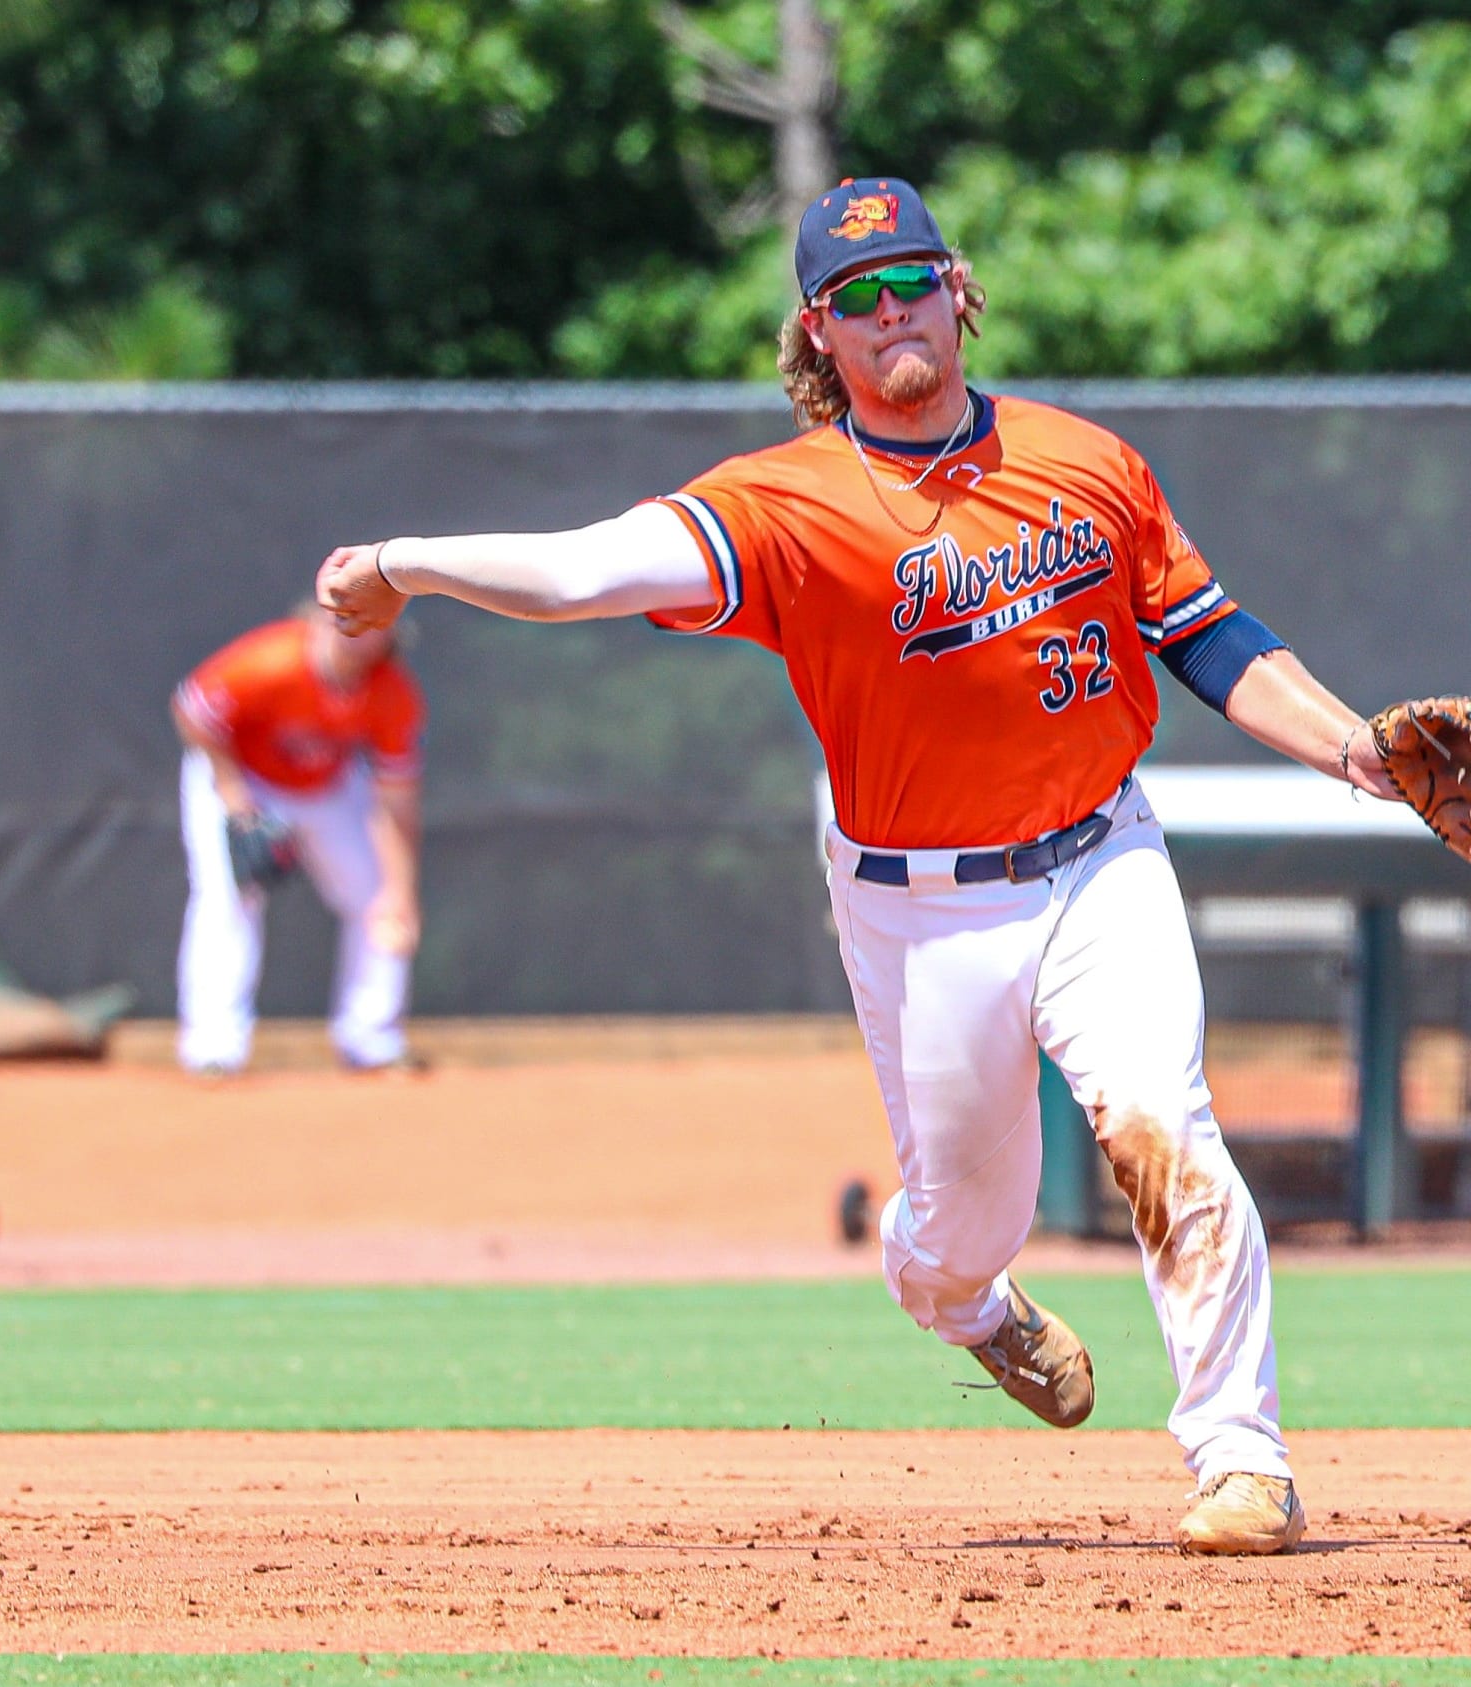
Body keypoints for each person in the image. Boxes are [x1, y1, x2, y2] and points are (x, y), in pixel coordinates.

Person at [315, 177, 1410, 1556]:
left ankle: (1243, 1457)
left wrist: (1351, 743)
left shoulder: (1086, 461)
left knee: (1158, 1125)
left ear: (959, 289)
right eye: (856, 297)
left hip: (1099, 856)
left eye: (911, 281)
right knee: (967, 1220)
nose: (892, 311)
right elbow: (582, 570)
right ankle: (969, 1305)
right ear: (817, 336)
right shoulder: (786, 507)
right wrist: (404, 564)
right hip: (922, 904)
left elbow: (1208, 636)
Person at [170, 607, 425, 1077]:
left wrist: (401, 890)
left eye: (372, 624)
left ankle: (372, 1040)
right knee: (229, 898)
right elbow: (192, 710)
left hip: (327, 786)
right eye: (347, 618)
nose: (357, 632)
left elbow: (397, 799)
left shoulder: (392, 694)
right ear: (319, 620)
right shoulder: (272, 661)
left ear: (389, 640)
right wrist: (236, 800)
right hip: (244, 778)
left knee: (377, 898)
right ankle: (213, 1047)